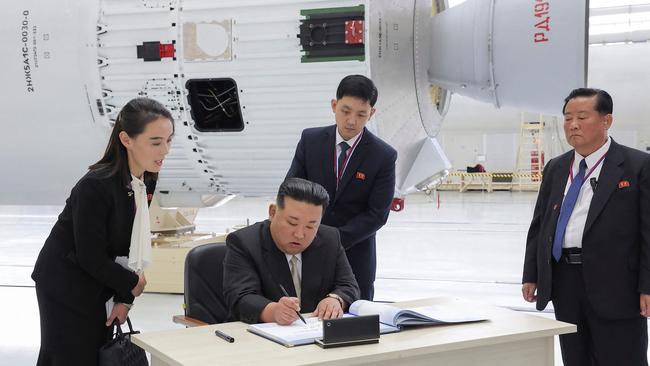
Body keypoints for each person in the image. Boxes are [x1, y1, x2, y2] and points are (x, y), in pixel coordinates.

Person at [31, 98, 174, 366]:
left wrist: (124, 298)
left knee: (99, 354)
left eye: (169, 140)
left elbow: (129, 245)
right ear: (126, 139)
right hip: (66, 282)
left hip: (101, 278)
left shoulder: (145, 179)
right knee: (70, 356)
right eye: (156, 142)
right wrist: (131, 284)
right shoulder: (95, 187)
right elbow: (89, 256)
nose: (165, 150)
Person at [522, 88, 649, 365]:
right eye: (567, 118)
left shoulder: (637, 166)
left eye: (582, 117)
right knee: (575, 357)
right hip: (565, 281)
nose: (573, 125)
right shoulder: (556, 167)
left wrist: (647, 286)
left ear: (607, 121)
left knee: (622, 357)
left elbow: (648, 232)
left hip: (618, 285)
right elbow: (540, 225)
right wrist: (532, 273)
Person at [286, 74, 397, 301]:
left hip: (356, 256)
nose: (351, 121)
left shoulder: (383, 156)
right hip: (307, 249)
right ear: (334, 105)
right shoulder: (310, 140)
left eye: (361, 114)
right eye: (345, 111)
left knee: (356, 324)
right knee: (305, 315)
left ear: (372, 114)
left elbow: (377, 215)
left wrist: (331, 239)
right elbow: (291, 189)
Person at [223, 177, 360, 325]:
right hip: (260, 338)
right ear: (273, 212)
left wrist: (335, 299)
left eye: (310, 226)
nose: (300, 234)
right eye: (292, 223)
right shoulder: (244, 242)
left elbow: (349, 285)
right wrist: (274, 311)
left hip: (315, 334)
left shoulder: (330, 238)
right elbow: (240, 297)